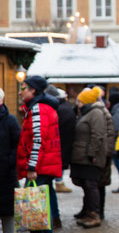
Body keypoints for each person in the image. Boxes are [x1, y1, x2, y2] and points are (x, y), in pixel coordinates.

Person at [16, 75, 62, 233]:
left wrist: (31, 167)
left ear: (33, 90)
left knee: (35, 215)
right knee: (42, 213)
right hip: (45, 166)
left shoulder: (38, 109)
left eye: (23, 88)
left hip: (40, 168)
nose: (20, 92)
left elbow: (38, 140)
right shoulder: (43, 108)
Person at [70, 87, 108, 229]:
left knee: (91, 186)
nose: (77, 103)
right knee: (87, 186)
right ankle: (88, 213)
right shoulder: (86, 113)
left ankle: (94, 215)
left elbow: (97, 135)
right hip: (83, 156)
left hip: (90, 158)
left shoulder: (96, 113)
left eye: (80, 100)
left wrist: (92, 154)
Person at [45, 85, 76, 200]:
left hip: (57, 146)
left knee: (46, 184)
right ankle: (59, 182)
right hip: (62, 144)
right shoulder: (65, 108)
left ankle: (59, 182)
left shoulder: (58, 110)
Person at [0, 88, 20, 233]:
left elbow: (18, 145)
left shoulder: (10, 120)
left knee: (8, 215)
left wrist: (9, 162)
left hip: (6, 175)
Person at [95, 89, 114, 221]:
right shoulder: (101, 111)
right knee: (97, 185)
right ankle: (97, 211)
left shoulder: (100, 112)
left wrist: (106, 154)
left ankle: (99, 211)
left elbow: (108, 134)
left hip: (102, 155)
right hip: (103, 154)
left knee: (99, 185)